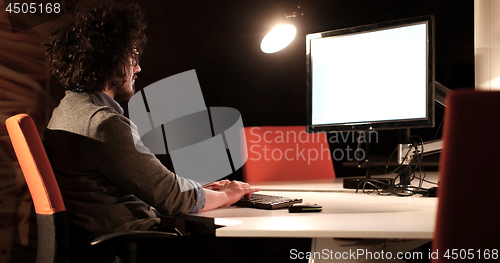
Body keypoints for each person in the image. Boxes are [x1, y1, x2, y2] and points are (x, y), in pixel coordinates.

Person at [43, 1, 260, 261]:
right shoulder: (102, 123)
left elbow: (154, 186)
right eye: (132, 58)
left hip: (106, 242)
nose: (138, 68)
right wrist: (226, 194)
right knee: (250, 252)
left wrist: (202, 190)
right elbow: (173, 200)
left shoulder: (66, 110)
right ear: (110, 61)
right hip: (135, 246)